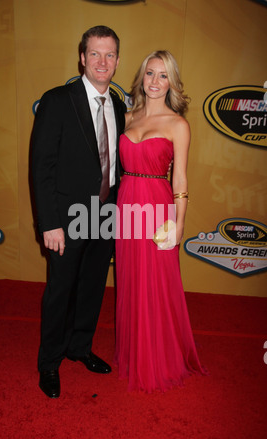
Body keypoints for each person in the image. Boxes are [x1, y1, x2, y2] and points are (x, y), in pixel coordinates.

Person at [31, 26, 126, 398]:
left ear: (117, 60)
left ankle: (80, 347)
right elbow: (42, 167)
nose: (103, 62)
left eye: (110, 54)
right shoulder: (57, 100)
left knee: (91, 288)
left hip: (105, 215)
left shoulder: (119, 105)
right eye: (95, 54)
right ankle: (49, 362)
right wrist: (50, 223)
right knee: (60, 292)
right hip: (66, 219)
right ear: (82, 58)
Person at [114, 50, 207, 392]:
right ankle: (133, 351)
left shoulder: (178, 125)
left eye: (163, 75)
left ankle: (159, 358)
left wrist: (179, 225)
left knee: (157, 282)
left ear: (171, 82)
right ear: (141, 78)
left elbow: (180, 179)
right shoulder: (126, 117)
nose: (155, 81)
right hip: (126, 206)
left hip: (156, 208)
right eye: (150, 73)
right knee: (130, 280)